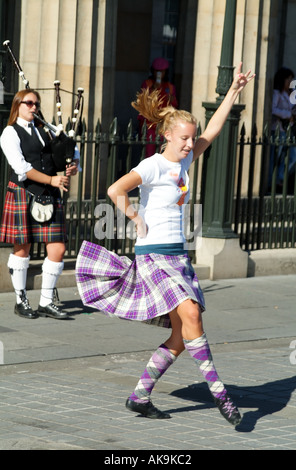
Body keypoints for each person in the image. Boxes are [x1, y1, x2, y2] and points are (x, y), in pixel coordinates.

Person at [76, 63, 255, 425]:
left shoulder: (184, 161)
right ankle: (222, 398)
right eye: (185, 138)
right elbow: (115, 190)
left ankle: (139, 396)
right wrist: (135, 218)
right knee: (191, 314)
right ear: (168, 135)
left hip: (177, 256)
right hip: (154, 255)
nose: (191, 143)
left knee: (180, 335)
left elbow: (216, 128)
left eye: (192, 138)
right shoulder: (154, 165)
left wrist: (234, 91)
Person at [0, 88, 80, 320]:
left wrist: (73, 165)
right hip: (24, 192)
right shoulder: (9, 133)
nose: (34, 107)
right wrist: (52, 179)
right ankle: (20, 299)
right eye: (29, 103)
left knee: (58, 247)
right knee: (22, 248)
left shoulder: (46, 130)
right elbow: (21, 168)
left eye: (36, 104)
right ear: (17, 105)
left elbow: (69, 149)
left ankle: (46, 301)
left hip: (49, 193)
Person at [138, 57, 178, 157]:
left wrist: (171, 98)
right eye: (157, 71)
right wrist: (153, 89)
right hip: (149, 125)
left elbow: (174, 106)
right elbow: (142, 102)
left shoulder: (170, 87)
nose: (159, 74)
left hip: (164, 124)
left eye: (162, 71)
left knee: (163, 152)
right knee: (149, 152)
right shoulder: (147, 84)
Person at [269, 67, 296, 189]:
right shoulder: (276, 94)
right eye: (289, 79)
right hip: (277, 130)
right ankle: (274, 182)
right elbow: (272, 109)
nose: (290, 82)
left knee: (290, 156)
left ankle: (280, 179)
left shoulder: (287, 94)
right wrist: (288, 115)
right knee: (276, 158)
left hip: (286, 130)